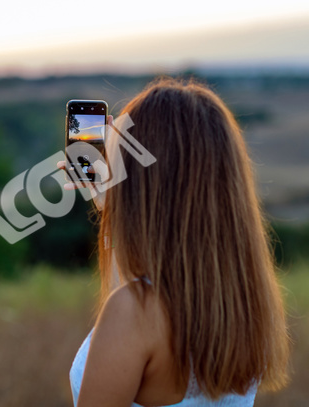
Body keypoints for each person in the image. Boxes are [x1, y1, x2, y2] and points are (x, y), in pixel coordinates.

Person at [58, 77, 290, 407]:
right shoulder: (242, 299)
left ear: (142, 182)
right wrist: (113, 207)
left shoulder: (135, 312)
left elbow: (132, 309)